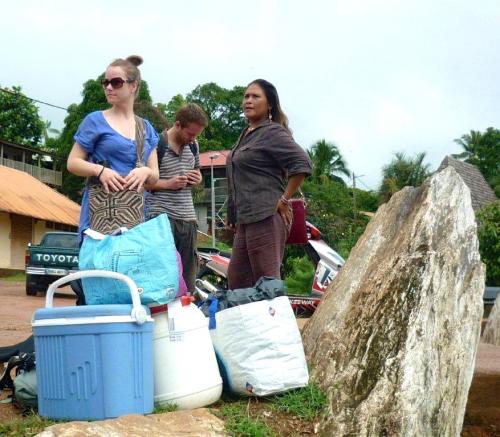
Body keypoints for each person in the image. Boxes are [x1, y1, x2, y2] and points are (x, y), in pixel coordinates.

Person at [226, 79, 312, 290]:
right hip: (246, 221)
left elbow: (302, 164)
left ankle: (277, 324)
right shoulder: (246, 134)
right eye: (246, 96)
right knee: (237, 282)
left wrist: (284, 199)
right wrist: (232, 213)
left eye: (255, 96)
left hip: (266, 216)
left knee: (267, 284)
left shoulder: (272, 132)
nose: (248, 100)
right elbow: (237, 178)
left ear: (270, 104)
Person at [67, 55, 159, 242]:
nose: (108, 87)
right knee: (98, 267)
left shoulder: (146, 128)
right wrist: (100, 171)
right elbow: (72, 162)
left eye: (116, 82)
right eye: (106, 82)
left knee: (130, 268)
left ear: (133, 86)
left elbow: (155, 176)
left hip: (135, 215)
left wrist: (146, 172)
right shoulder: (94, 120)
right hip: (100, 213)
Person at [145, 103, 208, 295]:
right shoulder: (156, 145)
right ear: (178, 125)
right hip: (161, 217)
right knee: (162, 274)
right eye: (190, 134)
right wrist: (167, 183)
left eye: (196, 135)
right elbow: (144, 182)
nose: (193, 139)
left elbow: (197, 171)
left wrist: (197, 178)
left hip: (187, 219)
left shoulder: (193, 146)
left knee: (188, 278)